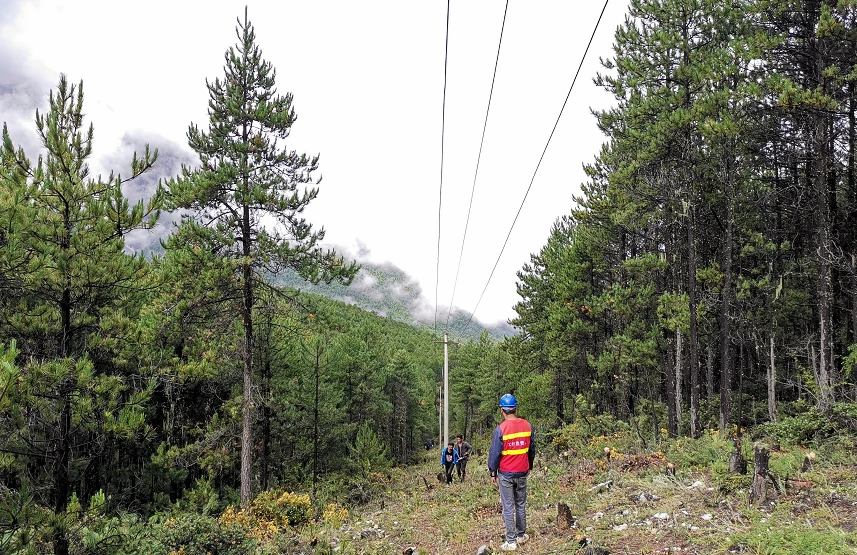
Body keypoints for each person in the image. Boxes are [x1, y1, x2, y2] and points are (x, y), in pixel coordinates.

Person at [487, 394, 535, 552]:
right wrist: (530, 465)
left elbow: (494, 454)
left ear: (502, 410)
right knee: (520, 504)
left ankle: (511, 541)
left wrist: (492, 472)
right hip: (522, 471)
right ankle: (521, 535)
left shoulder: (500, 429)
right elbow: (531, 449)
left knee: (508, 507)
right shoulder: (527, 426)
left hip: (506, 473)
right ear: (515, 408)